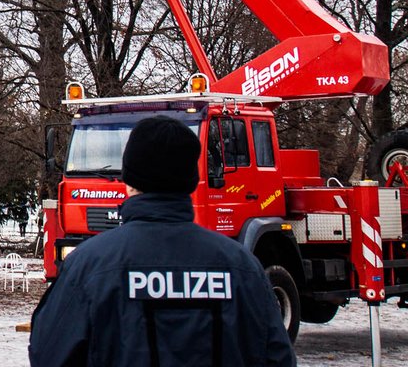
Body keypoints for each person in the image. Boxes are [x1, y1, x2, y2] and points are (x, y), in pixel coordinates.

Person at [28, 115, 296, 366]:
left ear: (129, 180)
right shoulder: (242, 269)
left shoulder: (88, 268)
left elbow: (48, 353)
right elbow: (277, 356)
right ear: (192, 181)